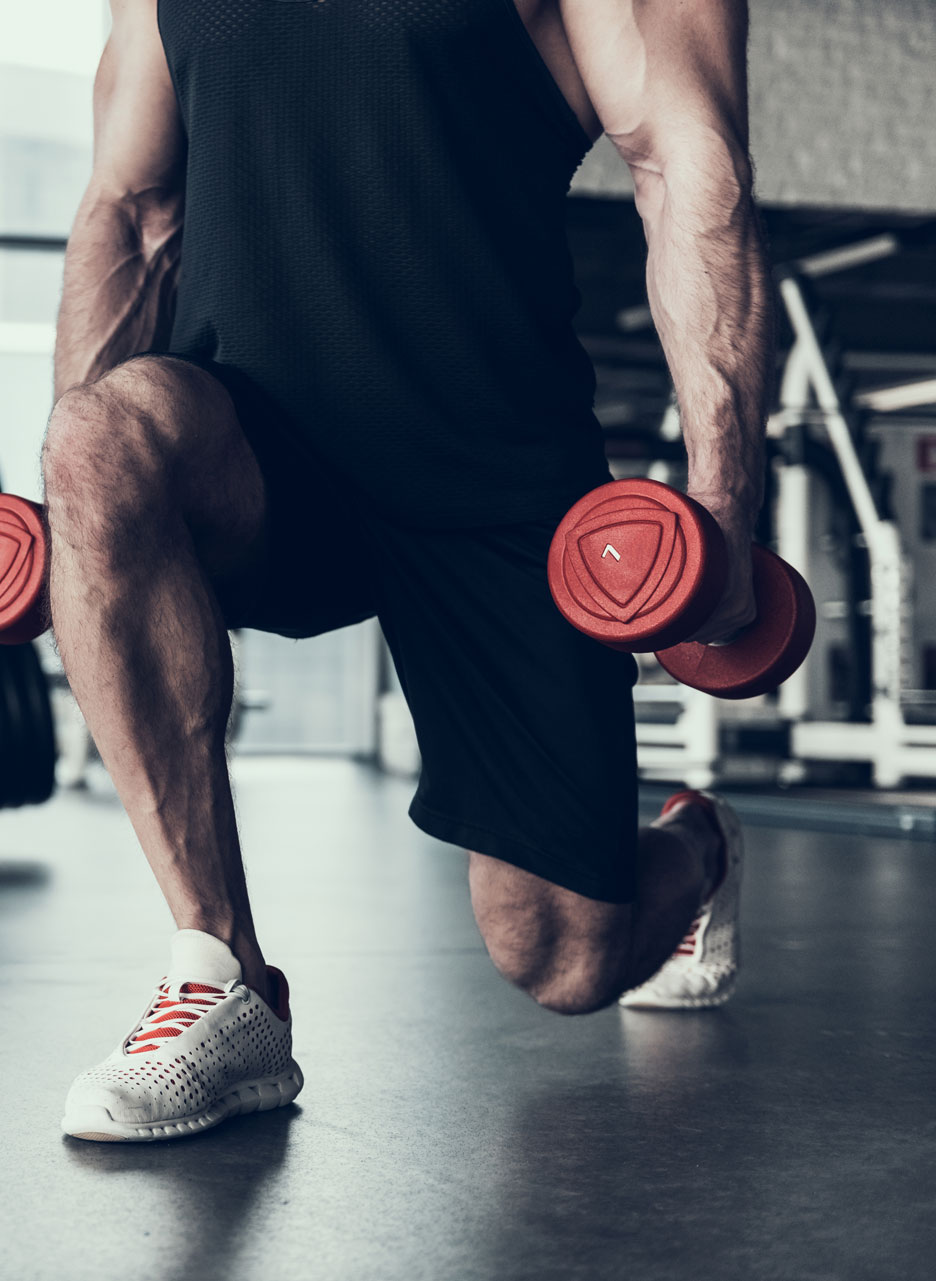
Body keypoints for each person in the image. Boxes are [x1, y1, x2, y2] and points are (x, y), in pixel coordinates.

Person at [51, 0, 767, 1141]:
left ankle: (699, 850)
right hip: (255, 448)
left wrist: (723, 510)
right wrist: (74, 512)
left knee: (561, 952)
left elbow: (683, 165)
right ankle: (222, 975)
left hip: (496, 478)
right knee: (94, 440)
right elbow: (134, 213)